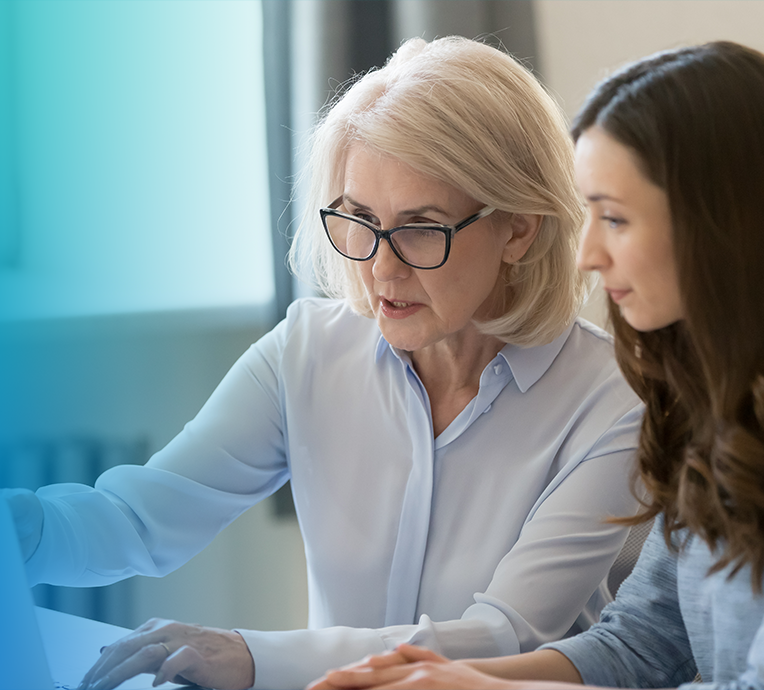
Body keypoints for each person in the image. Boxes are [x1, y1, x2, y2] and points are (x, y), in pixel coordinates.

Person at [7, 36, 643, 690]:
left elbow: (503, 635)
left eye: (421, 226)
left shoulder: (612, 404)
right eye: (359, 219)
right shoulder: (308, 351)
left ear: (519, 228)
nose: (380, 267)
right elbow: (136, 520)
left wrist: (252, 656)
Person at [307, 40, 764, 690]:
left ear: (721, 225)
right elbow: (641, 645)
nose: (587, 256)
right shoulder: (712, 414)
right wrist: (447, 677)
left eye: (614, 218)